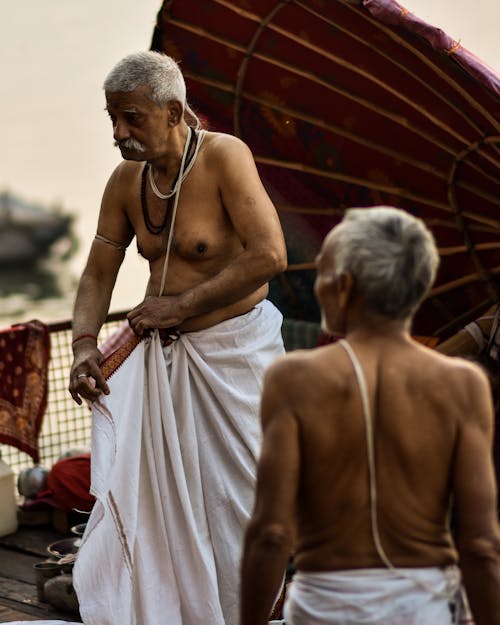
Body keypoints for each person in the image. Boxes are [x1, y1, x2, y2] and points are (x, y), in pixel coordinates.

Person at [67, 50, 287, 625]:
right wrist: (84, 345)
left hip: (236, 360)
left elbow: (270, 255)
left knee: (244, 507)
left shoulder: (225, 157)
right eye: (112, 118)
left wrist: (180, 306)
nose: (118, 133)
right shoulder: (124, 182)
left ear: (174, 111)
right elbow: (97, 272)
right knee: (163, 514)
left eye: (131, 118)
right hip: (165, 368)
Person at [240, 206, 500, 625]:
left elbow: (271, 533)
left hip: (324, 610)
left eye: (323, 274)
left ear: (344, 286)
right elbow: (482, 545)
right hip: (423, 612)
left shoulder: (294, 380)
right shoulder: (462, 386)